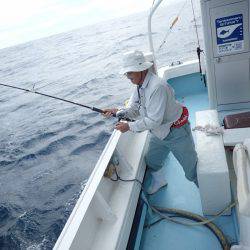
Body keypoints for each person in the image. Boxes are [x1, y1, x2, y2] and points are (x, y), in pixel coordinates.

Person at [104, 50, 198, 194]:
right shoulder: (139, 86)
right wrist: (117, 111)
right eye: (126, 73)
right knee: (152, 161)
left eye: (130, 73)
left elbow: (154, 120)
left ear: (141, 69)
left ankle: (213, 199)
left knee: (192, 171)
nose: (127, 77)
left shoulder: (157, 86)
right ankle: (160, 181)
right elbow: (135, 108)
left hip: (176, 132)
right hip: (159, 133)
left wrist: (128, 126)